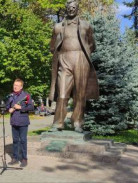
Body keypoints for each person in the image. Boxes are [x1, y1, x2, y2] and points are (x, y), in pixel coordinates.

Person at [49, 0, 99, 132]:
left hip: (80, 60)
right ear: (66, 9)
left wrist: (81, 54)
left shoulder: (86, 25)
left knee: (80, 94)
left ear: (77, 9)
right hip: (64, 59)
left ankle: (77, 122)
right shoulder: (58, 27)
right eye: (69, 8)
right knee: (62, 93)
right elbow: (52, 47)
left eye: (73, 7)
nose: (71, 10)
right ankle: (58, 123)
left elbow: (92, 45)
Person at [6, 79, 34, 167]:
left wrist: (21, 107)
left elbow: (31, 107)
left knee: (23, 140)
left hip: (23, 122)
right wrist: (8, 109)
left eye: (17, 85)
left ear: (21, 87)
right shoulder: (11, 95)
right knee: (15, 141)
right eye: (14, 85)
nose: (15, 86)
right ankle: (15, 158)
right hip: (14, 121)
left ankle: (24, 159)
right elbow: (7, 106)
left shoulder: (26, 96)